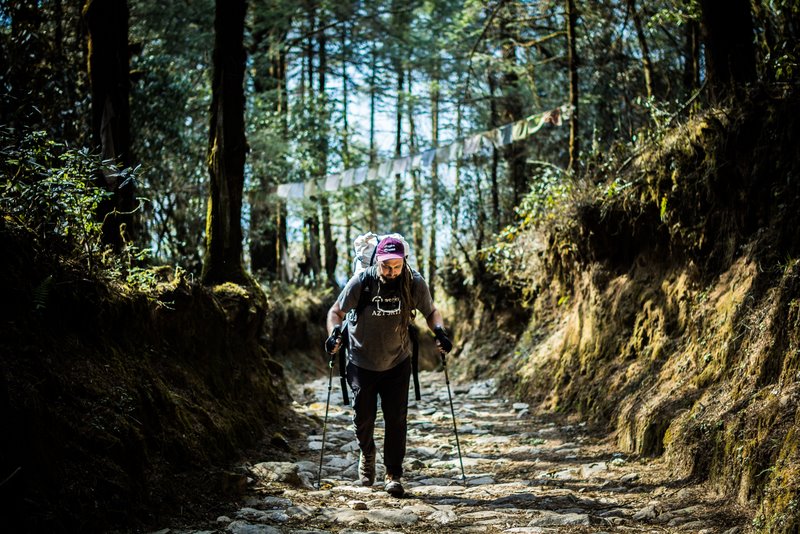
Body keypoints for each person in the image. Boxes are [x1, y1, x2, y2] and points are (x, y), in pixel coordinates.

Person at [325, 236, 452, 497]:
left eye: (396, 266)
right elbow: (335, 312)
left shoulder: (414, 282)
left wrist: (439, 332)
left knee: (396, 419)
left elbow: (431, 312)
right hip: (361, 361)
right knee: (363, 418)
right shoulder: (362, 281)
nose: (391, 272)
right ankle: (367, 451)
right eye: (386, 266)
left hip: (397, 361)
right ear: (378, 262)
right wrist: (334, 333)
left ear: (404, 262)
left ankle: (393, 474)